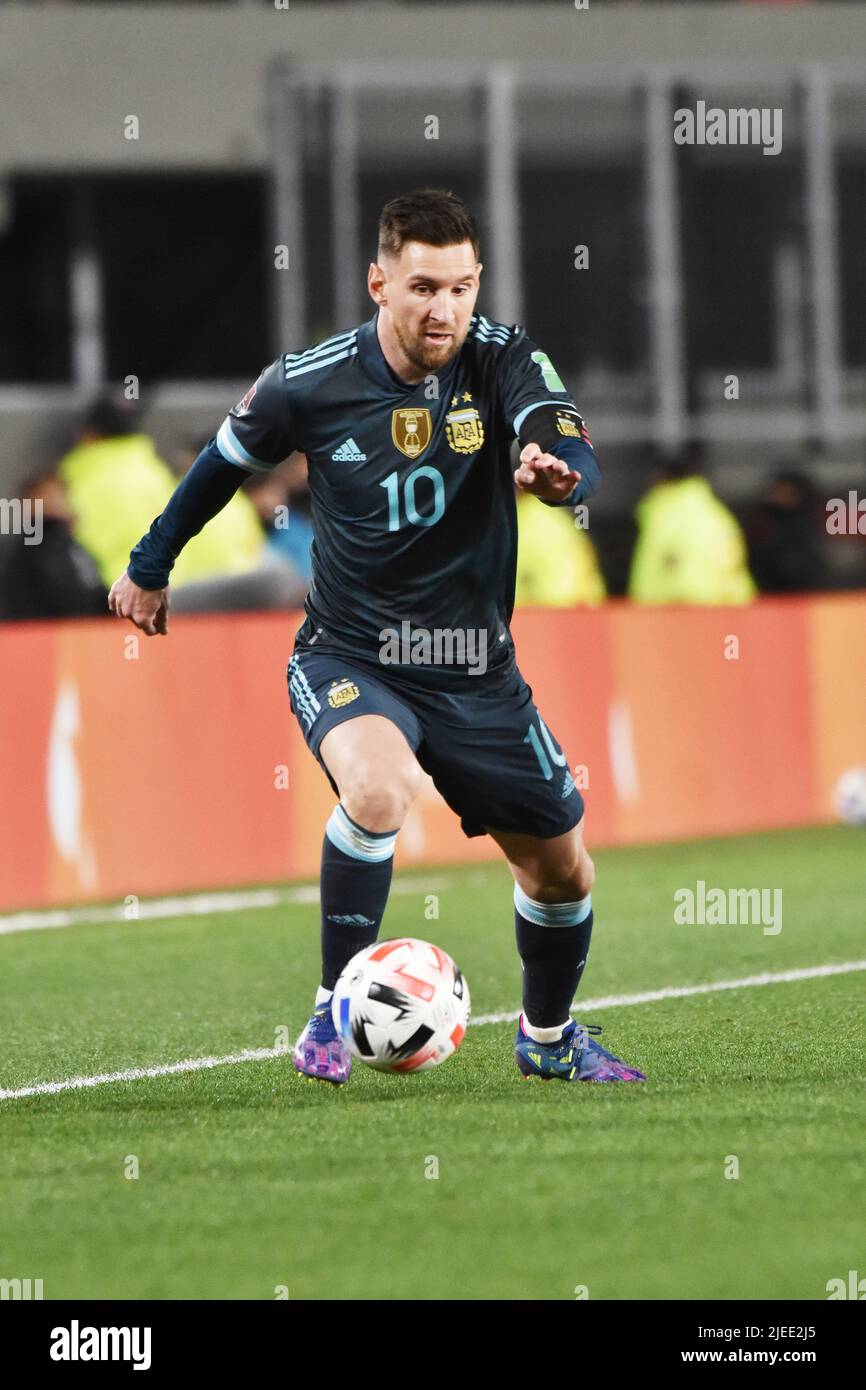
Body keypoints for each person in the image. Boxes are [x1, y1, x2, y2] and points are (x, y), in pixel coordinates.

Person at [109, 187, 645, 1086]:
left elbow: (564, 439)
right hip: (353, 653)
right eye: (426, 288)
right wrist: (149, 563)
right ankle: (331, 1010)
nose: (447, 310)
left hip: (475, 672)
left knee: (564, 874)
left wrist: (559, 478)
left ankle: (548, 1039)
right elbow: (221, 466)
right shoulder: (308, 381)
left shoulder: (503, 357)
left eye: (464, 288)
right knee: (379, 791)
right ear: (380, 282)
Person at [628, 442, 756, 605]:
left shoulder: (663, 516)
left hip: (671, 613)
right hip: (720, 611)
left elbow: (656, 572)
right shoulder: (717, 515)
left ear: (660, 479)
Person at [0, 470, 108, 621]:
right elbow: (72, 597)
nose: (61, 502)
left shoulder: (68, 545)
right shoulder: (47, 546)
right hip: (59, 636)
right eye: (51, 496)